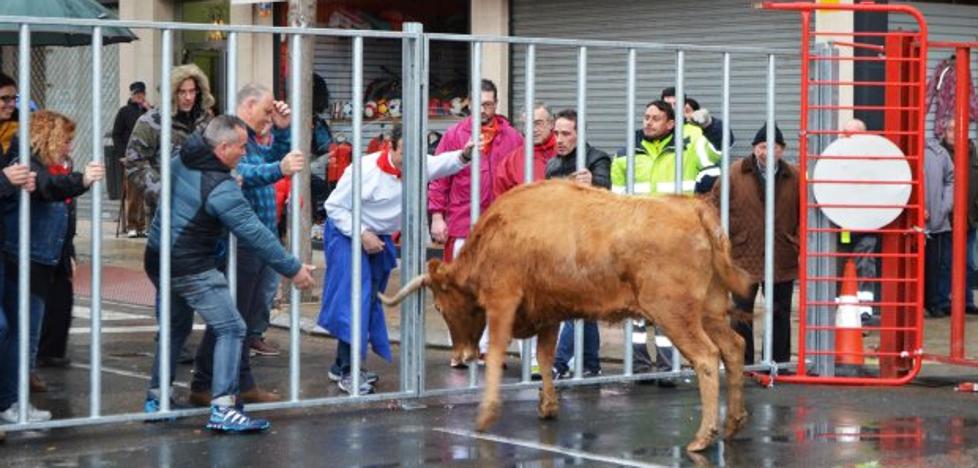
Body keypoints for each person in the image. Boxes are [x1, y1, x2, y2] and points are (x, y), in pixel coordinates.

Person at [142, 115, 315, 432]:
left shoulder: (183, 156)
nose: (244, 153)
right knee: (233, 327)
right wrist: (293, 268)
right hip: (189, 263)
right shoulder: (220, 187)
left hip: (157, 256)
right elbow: (255, 233)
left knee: (175, 327)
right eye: (240, 147)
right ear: (222, 147)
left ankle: (157, 398)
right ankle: (223, 408)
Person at [319, 125, 473, 394]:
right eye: (405, 152)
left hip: (378, 236)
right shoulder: (363, 170)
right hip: (348, 231)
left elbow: (442, 163)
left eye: (416, 152)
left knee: (368, 302)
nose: (411, 159)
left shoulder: (417, 164)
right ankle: (348, 371)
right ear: (390, 146)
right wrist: (362, 233)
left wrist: (466, 154)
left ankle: (341, 364)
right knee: (355, 298)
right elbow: (334, 207)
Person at [185, 83, 304, 407]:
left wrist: (281, 132)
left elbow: (275, 160)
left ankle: (228, 382)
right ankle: (217, 383)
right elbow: (241, 172)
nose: (269, 117)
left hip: (258, 239)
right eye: (266, 111)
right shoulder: (229, 136)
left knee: (242, 320)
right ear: (248, 105)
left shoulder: (250, 139)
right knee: (233, 320)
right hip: (241, 241)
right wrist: (278, 167)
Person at [1, 110, 101, 422]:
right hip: (26, 256)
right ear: (50, 136)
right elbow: (48, 188)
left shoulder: (40, 163)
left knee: (24, 333)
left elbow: (59, 207)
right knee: (20, 334)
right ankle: (12, 402)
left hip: (41, 256)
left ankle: (14, 402)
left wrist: (66, 250)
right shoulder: (26, 161)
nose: (69, 146)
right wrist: (82, 180)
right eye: (67, 140)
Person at [611, 100, 721, 382]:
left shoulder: (689, 145)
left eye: (655, 118)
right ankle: (638, 365)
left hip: (674, 243)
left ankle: (667, 366)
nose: (648, 122)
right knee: (635, 307)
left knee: (668, 304)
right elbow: (616, 199)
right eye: (646, 117)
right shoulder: (626, 153)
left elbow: (716, 160)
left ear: (671, 123)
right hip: (636, 242)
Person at [123, 64, 215, 365]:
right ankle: (170, 336)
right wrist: (161, 189)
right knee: (169, 276)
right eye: (183, 92)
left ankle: (183, 335)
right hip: (167, 210)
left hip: (203, 211)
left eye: (193, 91)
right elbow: (134, 162)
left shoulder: (206, 120)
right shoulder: (151, 121)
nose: (188, 98)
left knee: (193, 274)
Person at [428, 79, 523, 367]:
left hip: (498, 227)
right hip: (460, 223)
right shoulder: (455, 135)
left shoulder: (512, 137)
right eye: (480, 103)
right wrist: (436, 215)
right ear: (470, 103)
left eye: (490, 103)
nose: (486, 109)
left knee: (495, 291)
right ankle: (460, 347)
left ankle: (488, 349)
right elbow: (439, 177)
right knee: (458, 291)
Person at [709, 123, 799, 365]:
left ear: (782, 150)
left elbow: (804, 214)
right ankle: (743, 362)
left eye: (774, 147)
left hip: (781, 254)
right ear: (754, 148)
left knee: (780, 312)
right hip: (742, 254)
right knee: (741, 313)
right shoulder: (733, 173)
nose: (767, 152)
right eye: (762, 146)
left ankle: (778, 362)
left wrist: (796, 240)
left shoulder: (795, 176)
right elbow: (714, 207)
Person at [545, 109, 611, 379]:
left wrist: (593, 183)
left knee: (576, 305)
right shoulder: (552, 164)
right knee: (586, 308)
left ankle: (559, 362)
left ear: (579, 134)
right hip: (562, 243)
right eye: (556, 133)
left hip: (591, 245)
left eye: (565, 134)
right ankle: (590, 364)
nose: (559, 139)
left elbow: (608, 190)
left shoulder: (596, 159)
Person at [0, 72, 39, 425]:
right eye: (3, 100)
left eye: (12, 99)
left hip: (10, 240)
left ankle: (10, 402)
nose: (10, 106)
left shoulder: (17, 136)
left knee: (14, 324)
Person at [939, 117, 978, 315]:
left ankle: (966, 299)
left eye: (958, 129)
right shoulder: (939, 153)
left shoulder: (974, 153)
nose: (954, 133)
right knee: (946, 262)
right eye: (951, 130)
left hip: (970, 218)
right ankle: (945, 300)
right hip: (947, 218)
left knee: (969, 263)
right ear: (944, 132)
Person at [112, 81, 151, 237]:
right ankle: (132, 225)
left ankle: (143, 225)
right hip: (131, 157)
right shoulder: (124, 112)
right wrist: (122, 154)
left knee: (146, 193)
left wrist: (149, 109)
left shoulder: (149, 112)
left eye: (141, 93)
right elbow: (117, 134)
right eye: (136, 93)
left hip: (147, 157)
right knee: (133, 192)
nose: (139, 96)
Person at [924, 136, 955, 317]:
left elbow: (950, 180)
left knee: (936, 265)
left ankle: (934, 302)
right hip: (911, 222)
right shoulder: (902, 152)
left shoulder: (940, 153)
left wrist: (944, 208)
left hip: (937, 222)